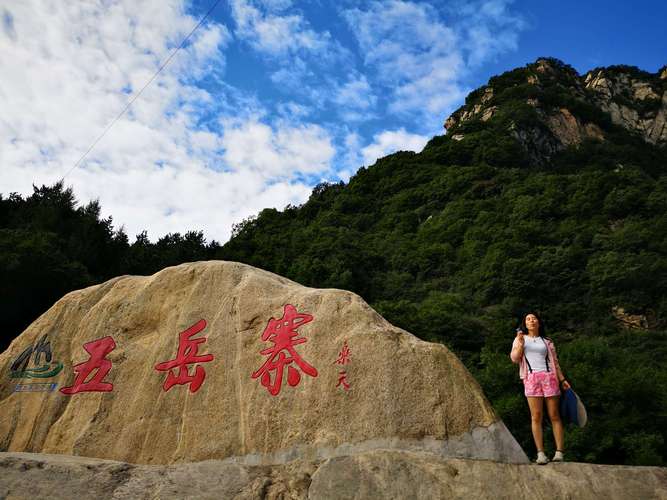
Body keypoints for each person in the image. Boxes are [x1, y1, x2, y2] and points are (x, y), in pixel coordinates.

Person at [510, 312, 570, 464]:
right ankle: (541, 454)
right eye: (528, 319)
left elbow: (555, 362)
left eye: (534, 318)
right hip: (531, 378)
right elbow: (514, 359)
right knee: (536, 416)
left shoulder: (547, 341)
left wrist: (562, 379)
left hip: (549, 377)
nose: (531, 321)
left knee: (554, 414)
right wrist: (520, 344)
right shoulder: (520, 339)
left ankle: (559, 452)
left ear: (539, 323)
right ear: (525, 324)